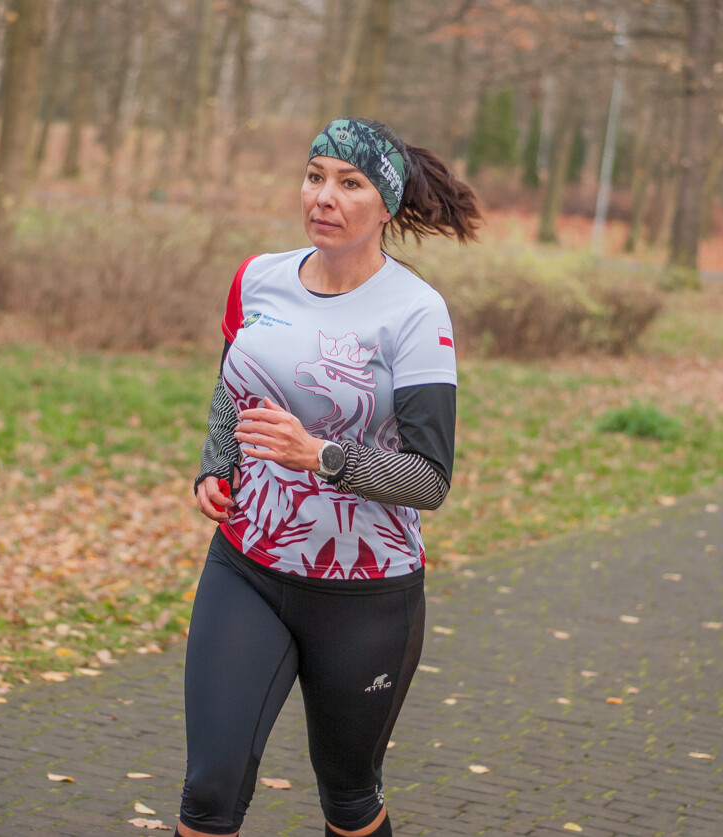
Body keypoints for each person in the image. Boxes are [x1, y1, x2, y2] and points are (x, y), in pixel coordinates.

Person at [177, 118, 481, 837]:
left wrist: (320, 455)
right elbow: (231, 388)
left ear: (386, 205)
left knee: (348, 798)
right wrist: (216, 464)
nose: (324, 196)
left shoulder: (416, 312)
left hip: (365, 593)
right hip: (247, 566)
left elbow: (429, 480)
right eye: (315, 176)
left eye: (350, 183)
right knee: (208, 793)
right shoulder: (257, 277)